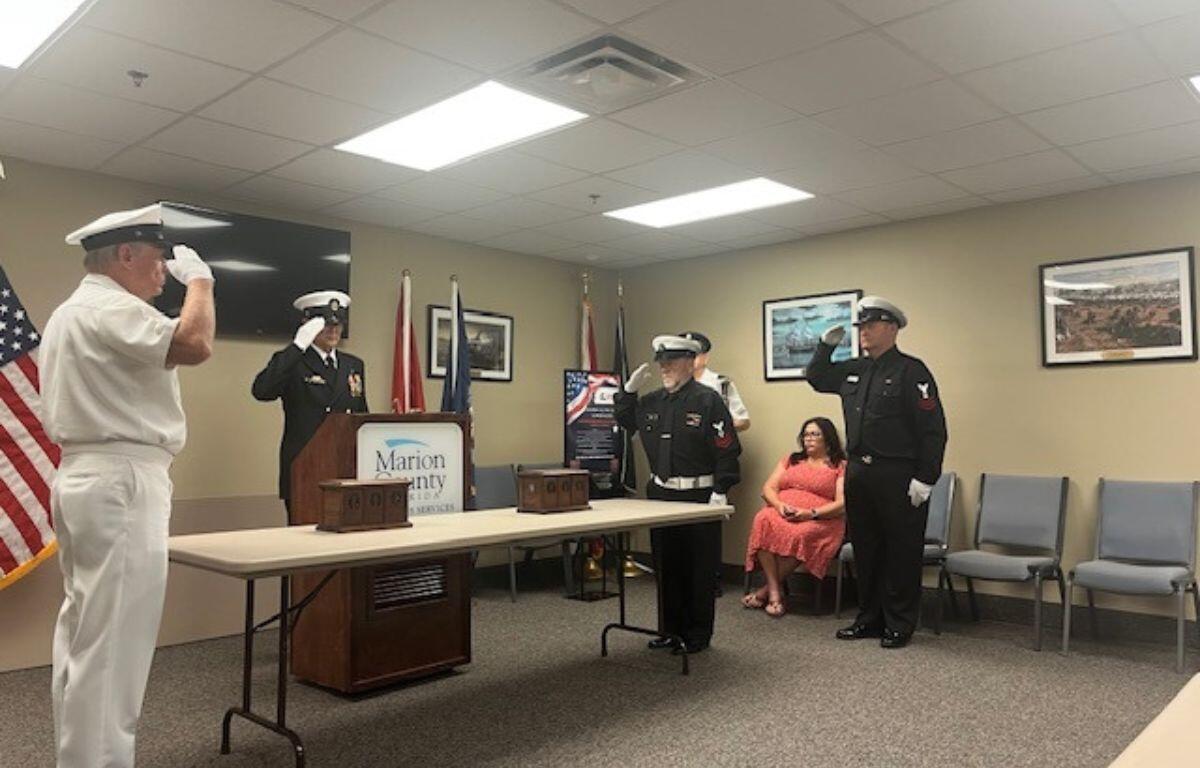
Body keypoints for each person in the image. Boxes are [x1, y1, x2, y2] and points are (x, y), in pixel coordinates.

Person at [43, 202, 215, 767]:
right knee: (115, 644)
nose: (165, 271)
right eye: (158, 258)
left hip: (88, 477)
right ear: (124, 254)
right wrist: (202, 283)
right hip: (121, 482)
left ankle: (78, 758)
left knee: (87, 634)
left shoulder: (72, 311)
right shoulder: (110, 306)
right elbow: (194, 343)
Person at [806, 296, 947, 648]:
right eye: (861, 326)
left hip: (897, 474)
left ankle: (899, 623)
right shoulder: (855, 368)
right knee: (866, 549)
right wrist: (825, 347)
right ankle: (869, 618)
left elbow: (933, 430)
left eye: (871, 325)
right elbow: (816, 377)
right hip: (859, 473)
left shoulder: (912, 371)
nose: (864, 331)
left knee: (901, 550)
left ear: (892, 328)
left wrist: (926, 477)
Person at [615, 334, 741, 654]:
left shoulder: (708, 400)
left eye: (671, 361)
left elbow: (727, 449)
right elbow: (625, 420)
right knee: (667, 566)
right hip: (661, 495)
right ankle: (670, 630)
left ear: (690, 362)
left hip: (698, 497)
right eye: (662, 362)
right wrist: (628, 392)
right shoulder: (652, 401)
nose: (665, 367)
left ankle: (697, 634)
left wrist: (721, 490)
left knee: (698, 568)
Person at [252, 290, 368, 513]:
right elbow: (262, 391)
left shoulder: (353, 365)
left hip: (344, 465)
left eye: (338, 325)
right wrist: (297, 346)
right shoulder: (293, 361)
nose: (333, 331)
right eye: (326, 325)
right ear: (308, 325)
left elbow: (360, 413)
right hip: (304, 466)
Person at [743, 417, 846, 617]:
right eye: (806, 434)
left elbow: (842, 503)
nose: (809, 439)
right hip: (783, 511)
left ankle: (765, 592)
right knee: (762, 520)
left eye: (814, 434)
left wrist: (810, 514)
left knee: (801, 534)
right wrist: (779, 505)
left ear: (828, 438)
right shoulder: (791, 460)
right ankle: (775, 592)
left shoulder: (839, 466)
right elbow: (768, 488)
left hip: (821, 519)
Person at [682, 331, 750, 432]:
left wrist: (719, 424)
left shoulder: (721, 384)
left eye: (695, 354)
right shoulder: (673, 386)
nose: (690, 359)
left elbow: (743, 421)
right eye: (685, 355)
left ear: (705, 358)